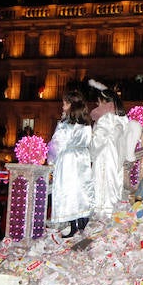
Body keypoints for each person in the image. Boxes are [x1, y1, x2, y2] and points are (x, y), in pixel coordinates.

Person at [88, 79, 142, 219]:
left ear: (104, 102)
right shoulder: (121, 118)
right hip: (115, 156)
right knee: (113, 182)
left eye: (99, 102)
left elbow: (97, 140)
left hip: (104, 155)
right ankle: (113, 212)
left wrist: (90, 145)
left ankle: (102, 214)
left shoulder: (105, 119)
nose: (97, 105)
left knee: (101, 181)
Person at [46, 90, 94, 238]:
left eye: (65, 103)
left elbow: (57, 143)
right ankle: (83, 223)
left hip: (68, 160)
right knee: (82, 191)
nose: (62, 107)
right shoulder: (86, 123)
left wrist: (50, 160)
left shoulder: (65, 124)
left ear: (71, 105)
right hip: (83, 159)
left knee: (69, 191)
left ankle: (74, 226)